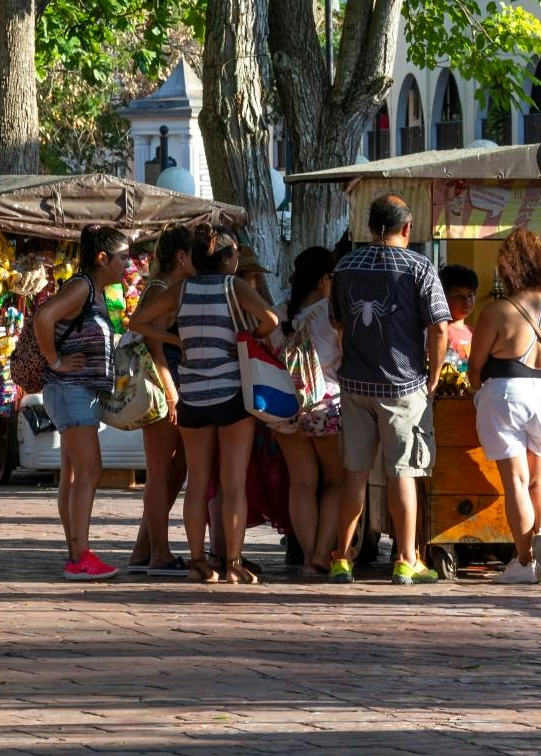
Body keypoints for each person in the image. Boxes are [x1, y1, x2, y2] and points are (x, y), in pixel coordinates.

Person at [327, 196, 451, 586]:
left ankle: (341, 559)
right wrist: (431, 376)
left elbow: (337, 322)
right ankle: (405, 559)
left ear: (369, 226)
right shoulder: (419, 267)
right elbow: (441, 327)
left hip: (354, 384)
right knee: (404, 473)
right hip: (403, 385)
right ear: (408, 228)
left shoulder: (345, 266)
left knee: (354, 475)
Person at [150, 227, 279, 585]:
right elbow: (271, 320)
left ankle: (197, 563)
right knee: (232, 484)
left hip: (192, 394)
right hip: (232, 393)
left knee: (197, 482)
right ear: (225, 258)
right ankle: (233, 564)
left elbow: (138, 321)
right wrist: (251, 338)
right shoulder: (233, 287)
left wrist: (176, 337)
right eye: (235, 253)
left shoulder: (182, 290)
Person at [467, 228, 541, 584]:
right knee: (538, 481)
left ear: (506, 269)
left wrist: (476, 393)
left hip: (506, 394)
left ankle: (523, 558)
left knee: (515, 481)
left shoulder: (497, 310)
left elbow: (475, 367)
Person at [32, 226, 133, 581]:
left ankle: (76, 551)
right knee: (90, 471)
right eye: (123, 257)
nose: (128, 265)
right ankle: (80, 556)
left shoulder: (97, 291)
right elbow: (43, 317)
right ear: (102, 258)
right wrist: (55, 360)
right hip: (70, 389)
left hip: (75, 392)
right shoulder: (81, 287)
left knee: (73, 476)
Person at [125, 226, 196, 577]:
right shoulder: (162, 289)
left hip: (169, 384)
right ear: (181, 257)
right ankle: (159, 554)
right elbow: (150, 341)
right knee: (158, 473)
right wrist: (171, 391)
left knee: (173, 470)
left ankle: (144, 550)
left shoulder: (168, 288)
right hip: (161, 385)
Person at [278, 246, 345, 573]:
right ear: (323, 279)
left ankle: (306, 557)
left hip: (285, 408)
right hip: (326, 406)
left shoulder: (281, 312)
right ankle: (321, 554)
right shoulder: (332, 313)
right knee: (336, 481)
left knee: (301, 482)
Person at [438, 263, 480, 370]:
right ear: (443, 297)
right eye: (458, 295)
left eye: (470, 295)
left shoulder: (474, 333)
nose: (466, 300)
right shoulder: (439, 332)